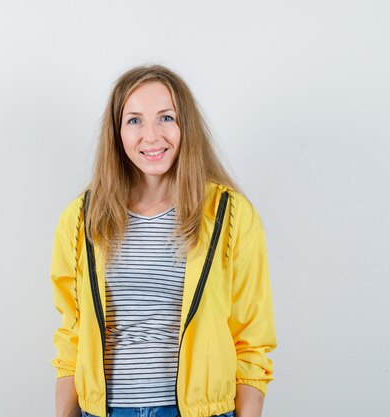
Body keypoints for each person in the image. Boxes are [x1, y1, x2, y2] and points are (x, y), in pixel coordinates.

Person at [50, 65, 276, 417]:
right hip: (106, 410)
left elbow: (251, 341)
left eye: (166, 117)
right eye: (135, 120)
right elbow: (71, 338)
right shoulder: (82, 218)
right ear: (117, 132)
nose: (151, 136)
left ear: (186, 126)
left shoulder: (230, 215)